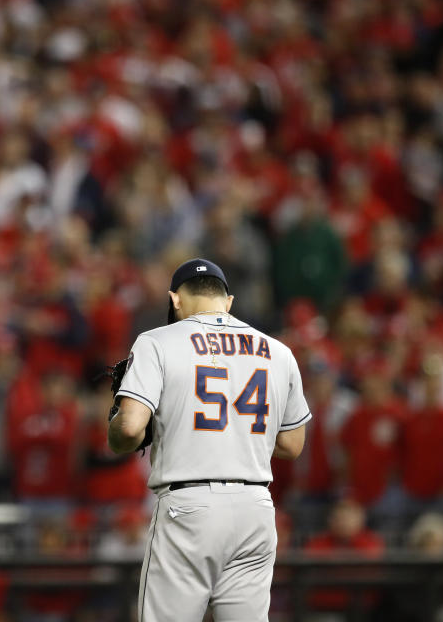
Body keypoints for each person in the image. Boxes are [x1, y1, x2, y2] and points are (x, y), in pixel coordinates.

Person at [107, 258, 311, 621]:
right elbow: (293, 443)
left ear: (175, 300)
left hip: (190, 506)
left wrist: (122, 423)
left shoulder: (157, 341)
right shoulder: (278, 351)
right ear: (228, 301)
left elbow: (128, 430)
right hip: (255, 508)